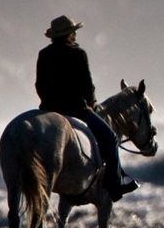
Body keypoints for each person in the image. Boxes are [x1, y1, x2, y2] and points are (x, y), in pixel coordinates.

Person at [35, 14, 139, 201]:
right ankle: (115, 186)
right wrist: (92, 103)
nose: (75, 35)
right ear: (69, 34)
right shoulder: (78, 54)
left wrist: (48, 103)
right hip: (75, 109)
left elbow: (39, 85)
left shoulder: (44, 54)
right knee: (111, 138)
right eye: (73, 32)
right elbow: (87, 85)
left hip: (48, 110)